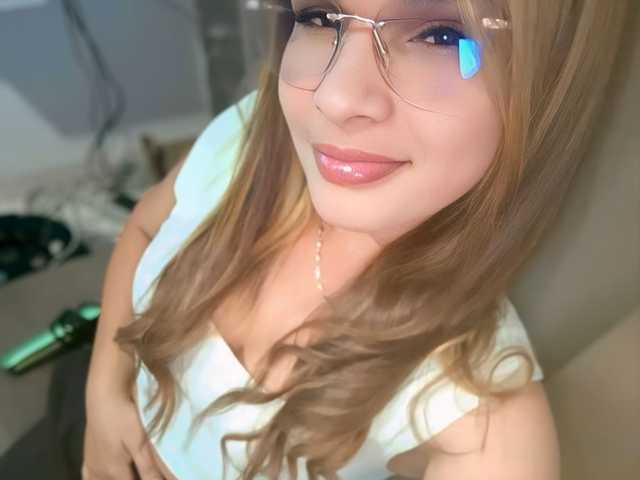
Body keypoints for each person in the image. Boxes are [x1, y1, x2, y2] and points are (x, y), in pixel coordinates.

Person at [82, 0, 630, 479]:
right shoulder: (247, 140)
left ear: (547, 79)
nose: (336, 97)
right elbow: (145, 226)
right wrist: (103, 393)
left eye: (442, 35)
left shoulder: (480, 418)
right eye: (320, 17)